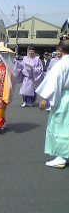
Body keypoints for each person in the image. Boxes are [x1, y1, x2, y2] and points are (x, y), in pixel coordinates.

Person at [36, 36, 69, 168]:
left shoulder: (60, 64)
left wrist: (45, 98)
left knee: (60, 126)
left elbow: (54, 83)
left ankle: (61, 156)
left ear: (60, 50)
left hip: (64, 97)